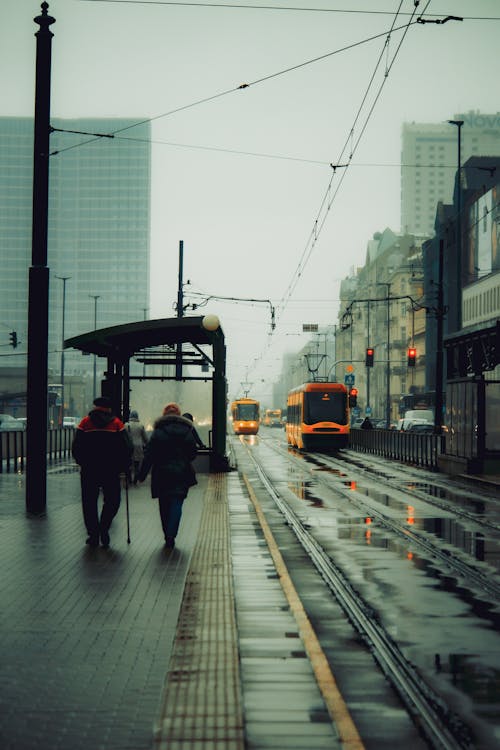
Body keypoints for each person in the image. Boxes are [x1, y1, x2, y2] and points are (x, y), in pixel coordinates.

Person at [72, 396, 132, 548]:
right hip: (110, 470)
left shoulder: (85, 423)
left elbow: (76, 446)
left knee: (89, 502)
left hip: (89, 470)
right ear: (109, 408)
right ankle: (104, 527)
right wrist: (122, 467)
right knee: (113, 500)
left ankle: (93, 534)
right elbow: (127, 447)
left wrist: (83, 462)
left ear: (95, 407)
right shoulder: (117, 424)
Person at [137, 403, 197, 549]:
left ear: (164, 415)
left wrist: (142, 475)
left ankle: (167, 535)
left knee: (164, 505)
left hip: (161, 473)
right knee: (177, 503)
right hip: (182, 473)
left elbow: (149, 454)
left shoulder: (158, 432)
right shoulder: (187, 430)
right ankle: (171, 534)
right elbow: (192, 453)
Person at [125, 409, 148, 484]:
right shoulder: (141, 426)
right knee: (136, 464)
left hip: (128, 446)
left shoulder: (126, 425)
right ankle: (135, 479)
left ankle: (129, 479)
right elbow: (145, 438)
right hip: (138, 446)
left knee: (128, 463)